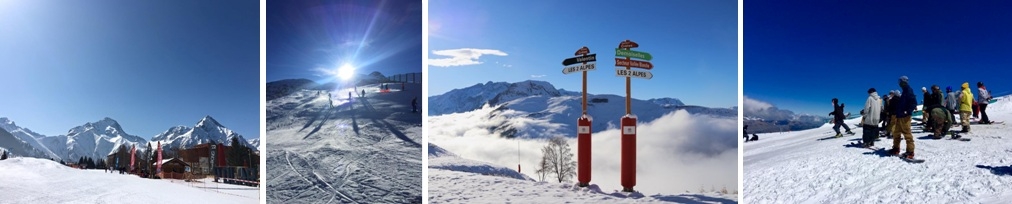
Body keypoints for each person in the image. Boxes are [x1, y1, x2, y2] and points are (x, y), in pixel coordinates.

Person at [889, 76, 917, 159]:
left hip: (905, 117)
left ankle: (910, 152)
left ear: (903, 82)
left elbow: (913, 102)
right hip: (899, 116)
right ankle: (896, 148)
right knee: (896, 133)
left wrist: (908, 111)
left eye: (900, 81)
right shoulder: (904, 91)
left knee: (907, 134)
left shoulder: (908, 90)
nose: (899, 83)